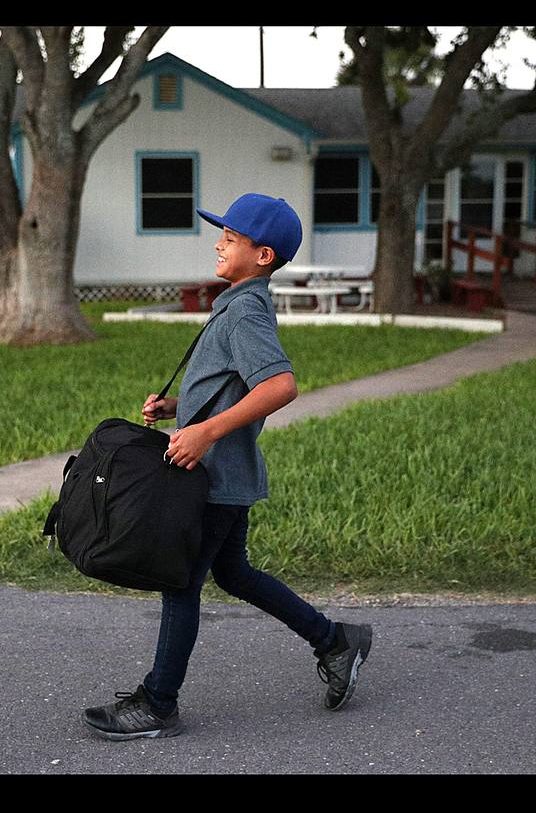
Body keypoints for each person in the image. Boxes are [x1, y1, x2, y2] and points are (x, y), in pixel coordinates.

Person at [82, 193, 373, 741]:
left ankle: (159, 704)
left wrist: (207, 430)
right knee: (232, 573)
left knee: (181, 582)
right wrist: (178, 410)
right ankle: (335, 641)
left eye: (232, 238)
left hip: (215, 477)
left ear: (262, 255)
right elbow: (232, 383)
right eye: (222, 234)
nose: (218, 241)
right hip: (223, 476)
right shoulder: (238, 303)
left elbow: (279, 386)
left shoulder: (244, 312)